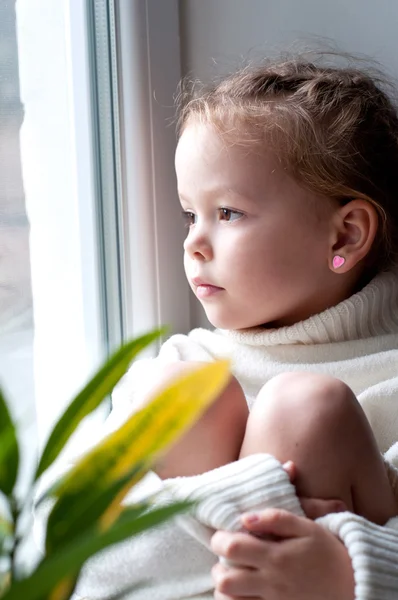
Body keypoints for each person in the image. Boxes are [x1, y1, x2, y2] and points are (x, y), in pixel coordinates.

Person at [75, 55, 398, 600]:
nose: (192, 243)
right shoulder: (179, 369)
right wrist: (252, 502)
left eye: (227, 213)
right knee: (185, 397)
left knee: (307, 409)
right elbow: (71, 558)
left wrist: (350, 575)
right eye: (188, 214)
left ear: (344, 237)